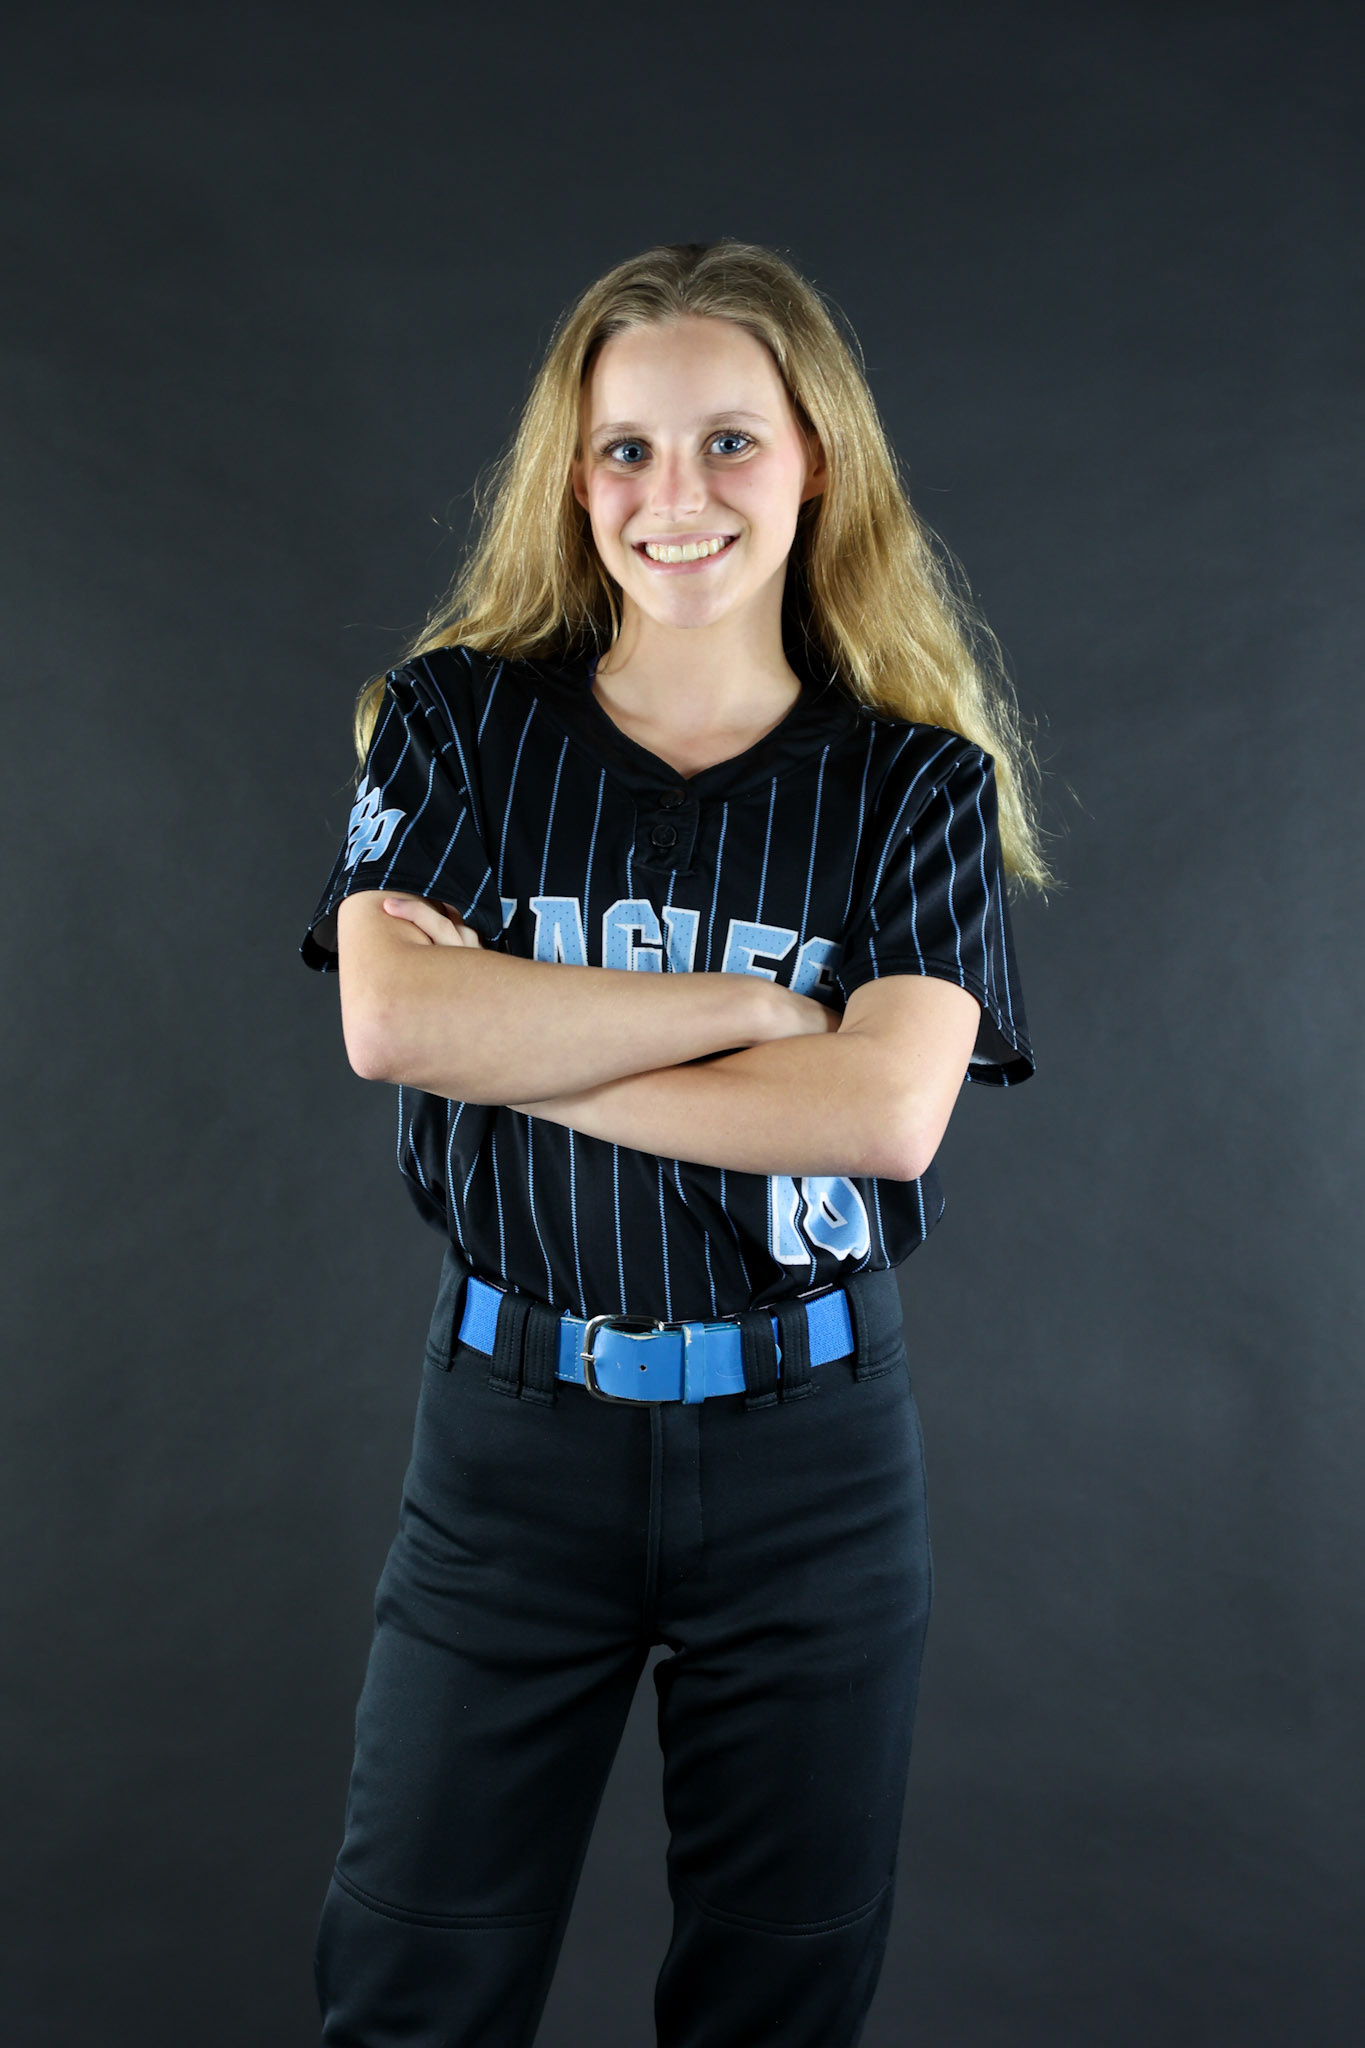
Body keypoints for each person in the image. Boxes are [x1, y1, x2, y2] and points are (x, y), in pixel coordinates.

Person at [298, 238, 1048, 2048]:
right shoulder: (458, 721)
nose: (675, 494)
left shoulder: (916, 783)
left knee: (775, 2007)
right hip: (510, 1449)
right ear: (573, 480)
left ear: (816, 463)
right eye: (625, 448)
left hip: (810, 1462)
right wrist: (757, 1012)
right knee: (408, 1991)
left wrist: (517, 1045)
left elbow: (880, 1115)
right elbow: (391, 1024)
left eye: (729, 441)